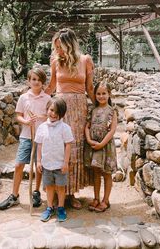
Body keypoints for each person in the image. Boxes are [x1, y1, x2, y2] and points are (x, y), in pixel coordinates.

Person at [45, 28, 94, 209]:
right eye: (56, 47)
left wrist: (102, 108)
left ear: (70, 45)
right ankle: (60, 193)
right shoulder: (55, 61)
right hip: (60, 110)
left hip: (79, 110)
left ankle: (71, 193)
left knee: (74, 151)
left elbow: (90, 87)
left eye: (61, 47)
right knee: (58, 149)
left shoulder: (85, 60)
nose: (58, 51)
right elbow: (51, 86)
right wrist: (34, 100)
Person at [0, 67, 51, 210]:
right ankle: (14, 195)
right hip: (26, 136)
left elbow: (50, 116)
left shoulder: (47, 98)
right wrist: (26, 122)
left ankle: (36, 192)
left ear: (43, 83)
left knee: (38, 167)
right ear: (28, 81)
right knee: (19, 164)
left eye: (39, 80)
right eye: (33, 79)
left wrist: (41, 117)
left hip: (41, 138)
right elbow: (18, 115)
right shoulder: (23, 97)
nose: (36, 82)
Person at [35, 97, 74, 222]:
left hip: (60, 164)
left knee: (61, 187)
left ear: (62, 114)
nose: (53, 114)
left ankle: (61, 208)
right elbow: (39, 145)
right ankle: (49, 207)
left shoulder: (65, 128)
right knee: (50, 187)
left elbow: (68, 145)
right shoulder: (41, 128)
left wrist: (65, 162)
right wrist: (39, 161)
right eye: (51, 110)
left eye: (57, 112)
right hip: (47, 164)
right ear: (47, 109)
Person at [84, 81, 118, 212]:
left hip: (105, 146)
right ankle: (96, 198)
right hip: (93, 145)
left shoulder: (112, 111)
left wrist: (102, 144)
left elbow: (112, 130)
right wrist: (88, 139)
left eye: (104, 93)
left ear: (109, 94)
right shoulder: (93, 110)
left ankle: (106, 200)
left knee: (107, 173)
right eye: (98, 93)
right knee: (96, 172)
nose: (101, 96)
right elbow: (87, 126)